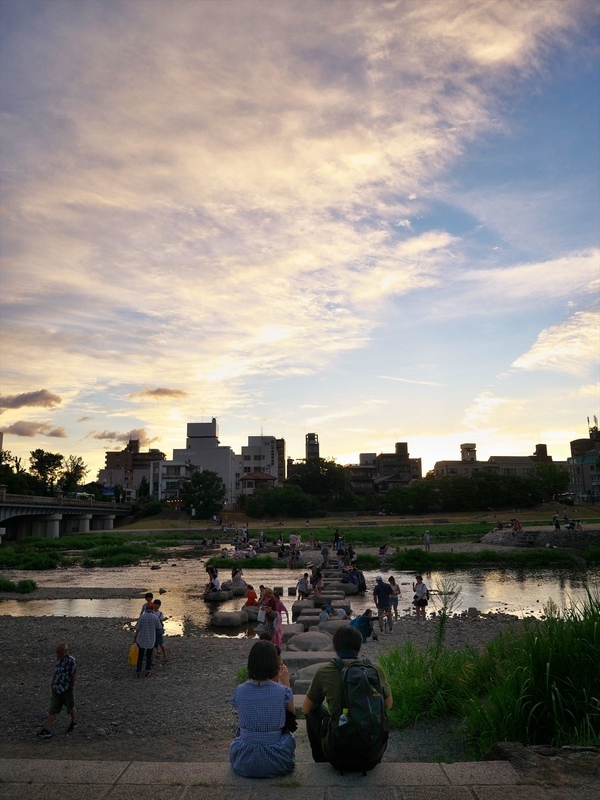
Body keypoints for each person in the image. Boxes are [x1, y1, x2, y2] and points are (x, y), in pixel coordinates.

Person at [302, 626, 392, 770]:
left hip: (338, 756)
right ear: (359, 646)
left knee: (313, 711)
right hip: (372, 755)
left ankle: (321, 761)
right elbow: (388, 704)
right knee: (379, 706)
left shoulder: (325, 671)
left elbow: (306, 708)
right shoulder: (374, 669)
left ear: (335, 647)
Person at [230, 640, 296, 777]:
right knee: (289, 736)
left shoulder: (240, 690)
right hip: (278, 759)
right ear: (274, 663)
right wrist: (286, 683)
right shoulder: (283, 691)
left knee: (240, 732)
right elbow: (291, 722)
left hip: (244, 760)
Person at [36, 642, 78, 738]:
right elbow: (57, 671)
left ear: (65, 651)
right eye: (57, 652)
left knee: (70, 707)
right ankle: (48, 729)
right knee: (52, 709)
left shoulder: (71, 661)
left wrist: (71, 686)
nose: (58, 654)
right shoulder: (57, 659)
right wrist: (53, 682)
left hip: (66, 689)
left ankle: (73, 722)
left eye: (60, 652)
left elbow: (73, 675)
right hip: (57, 688)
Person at [133, 602, 162, 677]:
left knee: (140, 655)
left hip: (142, 639)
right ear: (152, 608)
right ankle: (148, 671)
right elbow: (159, 627)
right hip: (151, 639)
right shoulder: (155, 618)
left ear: (146, 608)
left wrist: (135, 638)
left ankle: (138, 671)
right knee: (149, 655)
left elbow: (137, 629)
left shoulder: (141, 617)